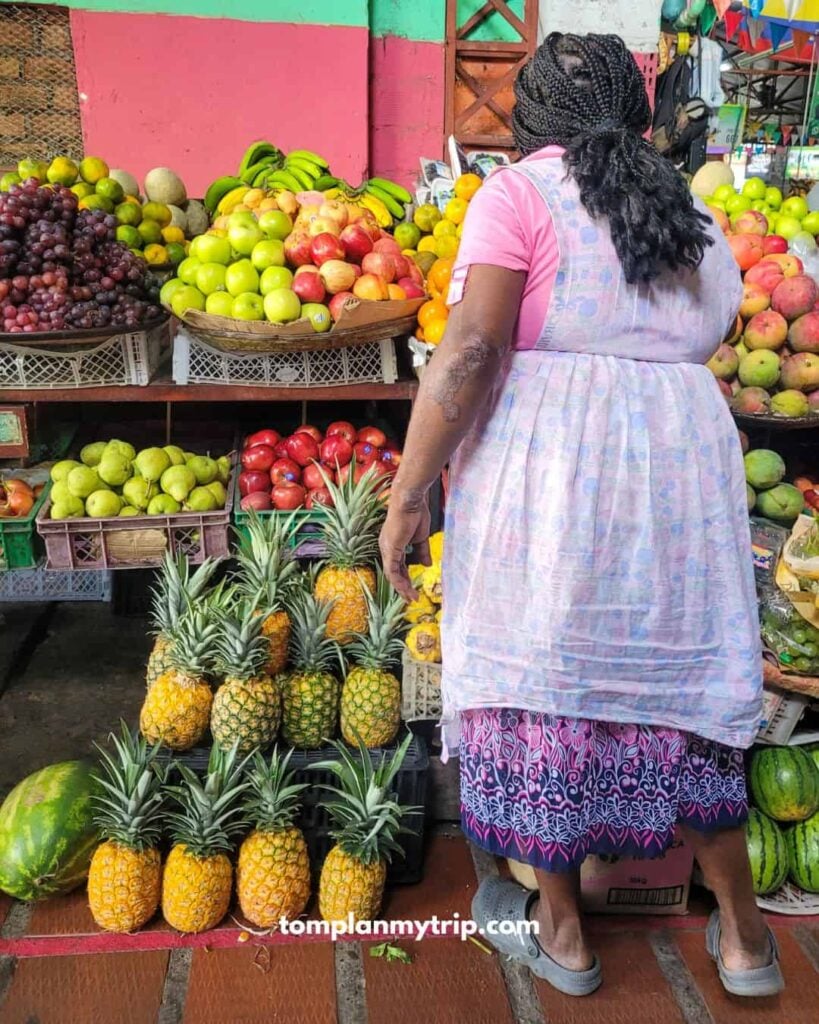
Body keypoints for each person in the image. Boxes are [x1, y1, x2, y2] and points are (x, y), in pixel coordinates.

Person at [380, 33, 783, 999]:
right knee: (681, 698)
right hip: (678, 485)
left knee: (541, 680)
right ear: (639, 117)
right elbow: (715, 327)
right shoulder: (684, 204)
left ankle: (561, 936)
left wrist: (405, 496)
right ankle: (743, 941)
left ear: (530, 121)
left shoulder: (517, 196)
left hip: (551, 482)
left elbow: (471, 352)